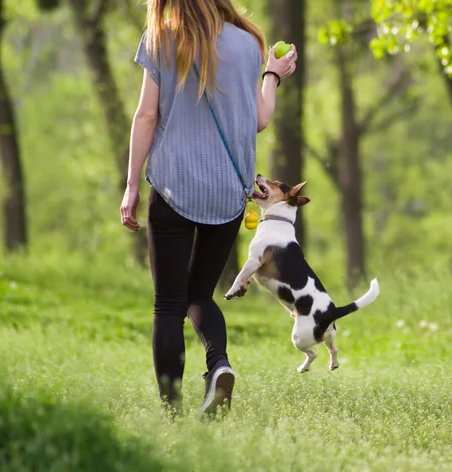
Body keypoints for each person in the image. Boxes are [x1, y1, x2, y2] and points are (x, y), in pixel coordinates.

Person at [119, 0, 298, 418]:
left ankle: (172, 413)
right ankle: (219, 364)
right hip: (228, 192)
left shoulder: (161, 38)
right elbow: (259, 118)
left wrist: (130, 186)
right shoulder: (248, 41)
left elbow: (146, 116)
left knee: (168, 304)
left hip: (173, 186)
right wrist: (273, 73)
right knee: (200, 292)